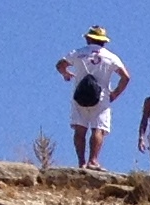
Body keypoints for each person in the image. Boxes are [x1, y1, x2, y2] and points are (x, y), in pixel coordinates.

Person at [54, 26, 130, 170]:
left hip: (80, 95)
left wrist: (66, 74)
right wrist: (115, 93)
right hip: (101, 96)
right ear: (104, 41)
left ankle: (81, 162)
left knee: (80, 128)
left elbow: (60, 65)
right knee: (98, 129)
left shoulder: (78, 53)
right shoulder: (111, 57)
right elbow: (126, 77)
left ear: (88, 38)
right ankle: (93, 160)